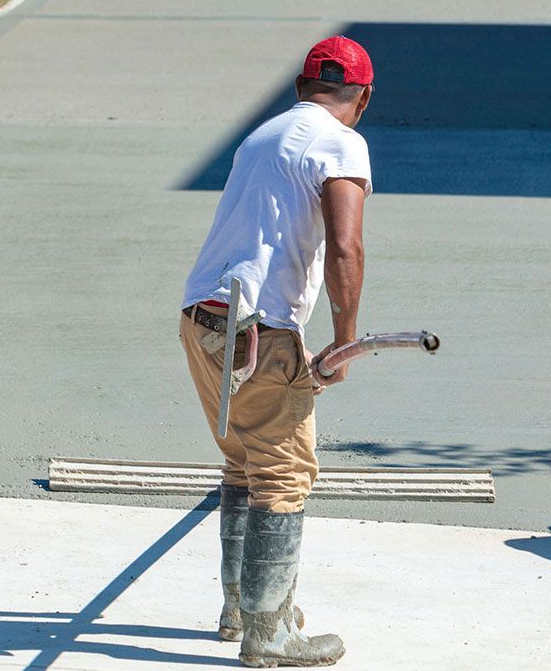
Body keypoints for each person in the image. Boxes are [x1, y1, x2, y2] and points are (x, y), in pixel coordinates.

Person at [179, 35, 375, 667]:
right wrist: (346, 342)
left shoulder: (259, 137)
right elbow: (345, 247)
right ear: (362, 99)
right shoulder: (343, 143)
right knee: (285, 473)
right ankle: (269, 635)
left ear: (299, 89)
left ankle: (239, 610)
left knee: (243, 460)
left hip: (203, 318)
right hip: (260, 330)